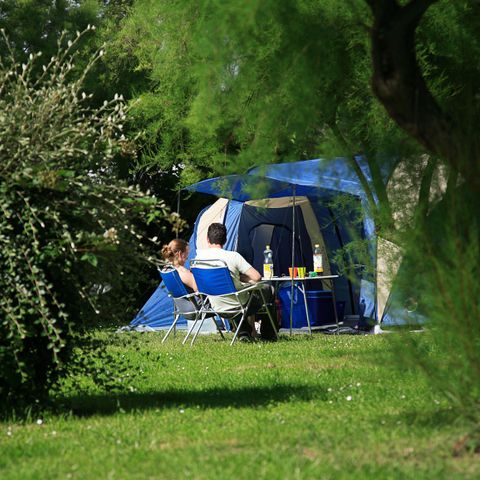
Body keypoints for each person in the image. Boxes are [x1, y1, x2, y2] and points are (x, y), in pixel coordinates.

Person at [195, 223, 277, 341]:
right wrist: (241, 278)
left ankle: (244, 332)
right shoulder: (233, 256)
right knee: (268, 289)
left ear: (207, 239)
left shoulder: (198, 259)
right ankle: (268, 335)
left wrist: (235, 278)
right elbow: (257, 277)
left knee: (238, 294)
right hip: (238, 304)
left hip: (215, 305)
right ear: (225, 239)